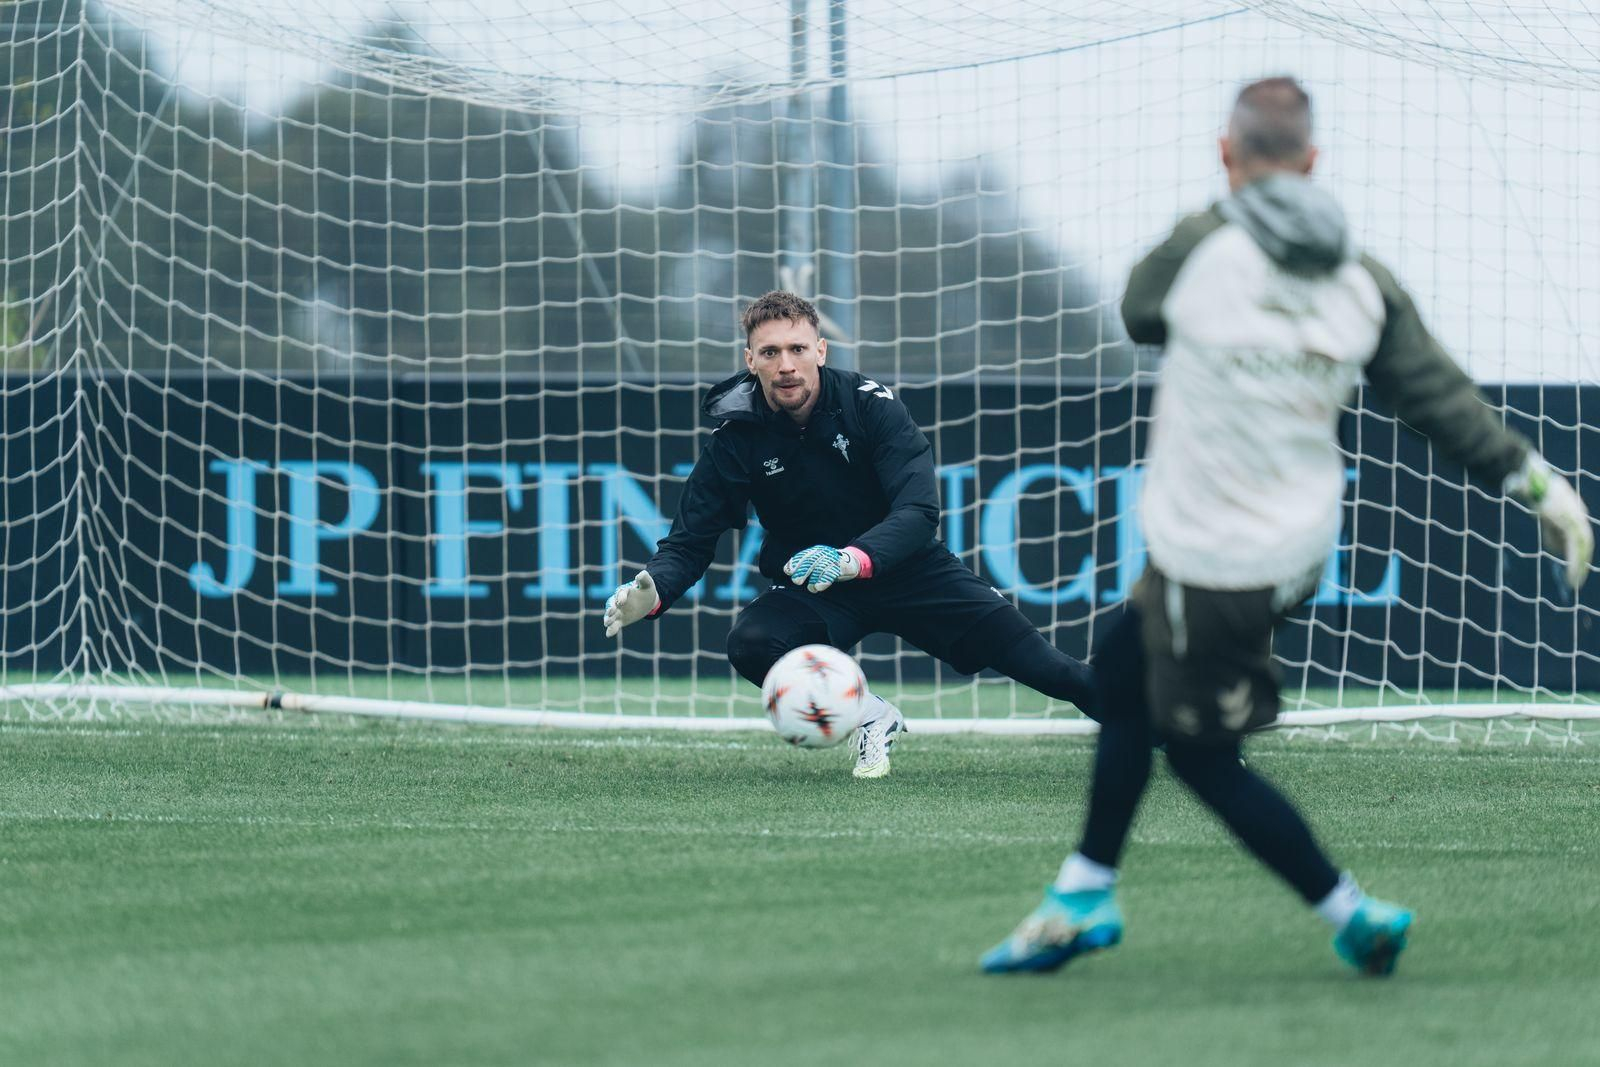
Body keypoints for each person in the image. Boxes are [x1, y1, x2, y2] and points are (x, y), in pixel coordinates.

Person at [980, 77, 1593, 975]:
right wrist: (1539, 482)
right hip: (1296, 549)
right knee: (1118, 670)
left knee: (1198, 758)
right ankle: (1083, 891)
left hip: (1214, 560)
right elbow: (1438, 398)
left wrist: (1223, 210)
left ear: (1228, 155)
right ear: (1314, 162)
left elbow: (1137, 310)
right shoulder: (1363, 281)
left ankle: (1351, 913)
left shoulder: (1202, 248)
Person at [603, 290, 1097, 778]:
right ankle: (871, 715)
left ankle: (1148, 723)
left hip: (911, 571)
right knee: (752, 643)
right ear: (750, 360)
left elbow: (919, 510)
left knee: (1052, 670)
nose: (786, 365)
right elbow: (691, 540)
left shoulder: (870, 406)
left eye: (798, 349)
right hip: (818, 589)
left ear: (821, 351)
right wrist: (656, 589)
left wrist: (851, 558)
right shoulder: (735, 437)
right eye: (771, 352)